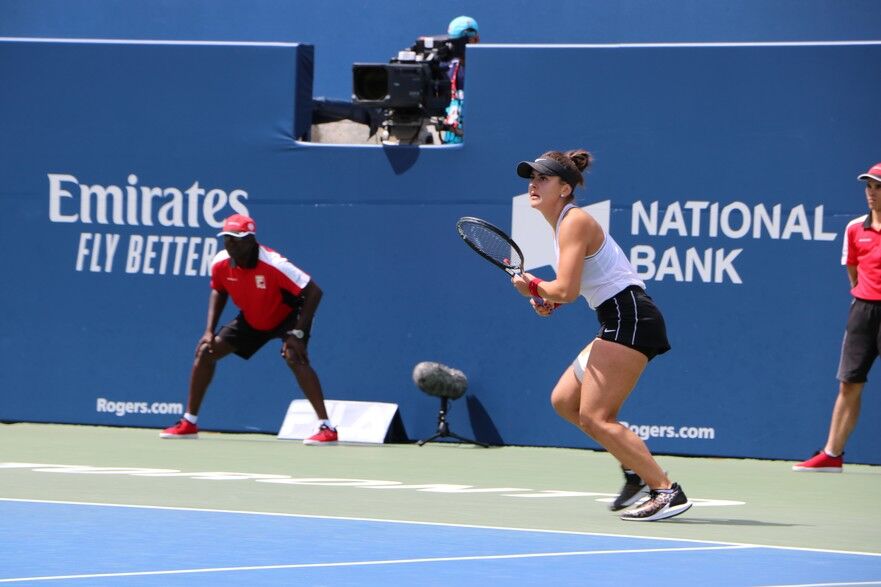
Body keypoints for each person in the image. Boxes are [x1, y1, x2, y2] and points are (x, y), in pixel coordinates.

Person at [510, 150, 691, 521]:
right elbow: (579, 285)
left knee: (595, 417)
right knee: (565, 401)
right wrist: (549, 298)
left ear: (564, 188)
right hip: (618, 315)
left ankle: (665, 491)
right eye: (531, 176)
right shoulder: (562, 223)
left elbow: (566, 290)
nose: (533, 183)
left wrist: (534, 287)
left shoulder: (573, 221)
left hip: (631, 317)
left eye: (542, 178)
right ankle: (634, 468)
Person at [160, 213, 338, 445]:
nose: (230, 244)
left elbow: (314, 292)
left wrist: (298, 333)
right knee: (206, 351)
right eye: (227, 239)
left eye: (236, 238)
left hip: (287, 317)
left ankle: (327, 427)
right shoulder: (220, 262)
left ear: (251, 240)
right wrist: (208, 330)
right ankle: (189, 422)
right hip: (252, 319)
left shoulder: (274, 264)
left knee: (294, 356)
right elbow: (219, 290)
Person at [793, 162, 881, 472]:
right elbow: (853, 270)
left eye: (878, 187)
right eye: (868, 186)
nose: (871, 193)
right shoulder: (855, 228)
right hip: (863, 311)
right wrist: (865, 297)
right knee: (849, 383)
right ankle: (832, 454)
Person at [440, 15, 479, 144]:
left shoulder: (485, 73)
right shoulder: (445, 69)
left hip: (474, 143)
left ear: (475, 39)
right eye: (453, 43)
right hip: (447, 142)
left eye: (461, 43)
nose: (457, 48)